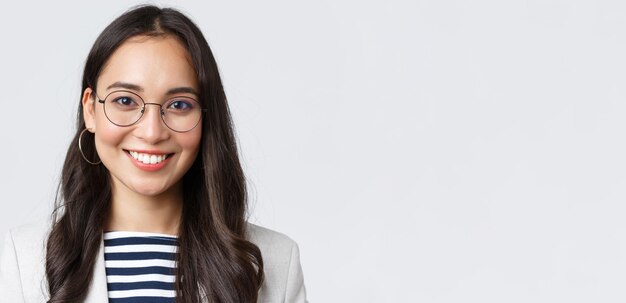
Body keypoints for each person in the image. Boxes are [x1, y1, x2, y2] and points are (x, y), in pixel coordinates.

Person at [0, 5, 307, 303]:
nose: (151, 132)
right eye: (125, 101)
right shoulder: (21, 260)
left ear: (206, 116)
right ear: (91, 109)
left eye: (179, 105)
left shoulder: (276, 261)